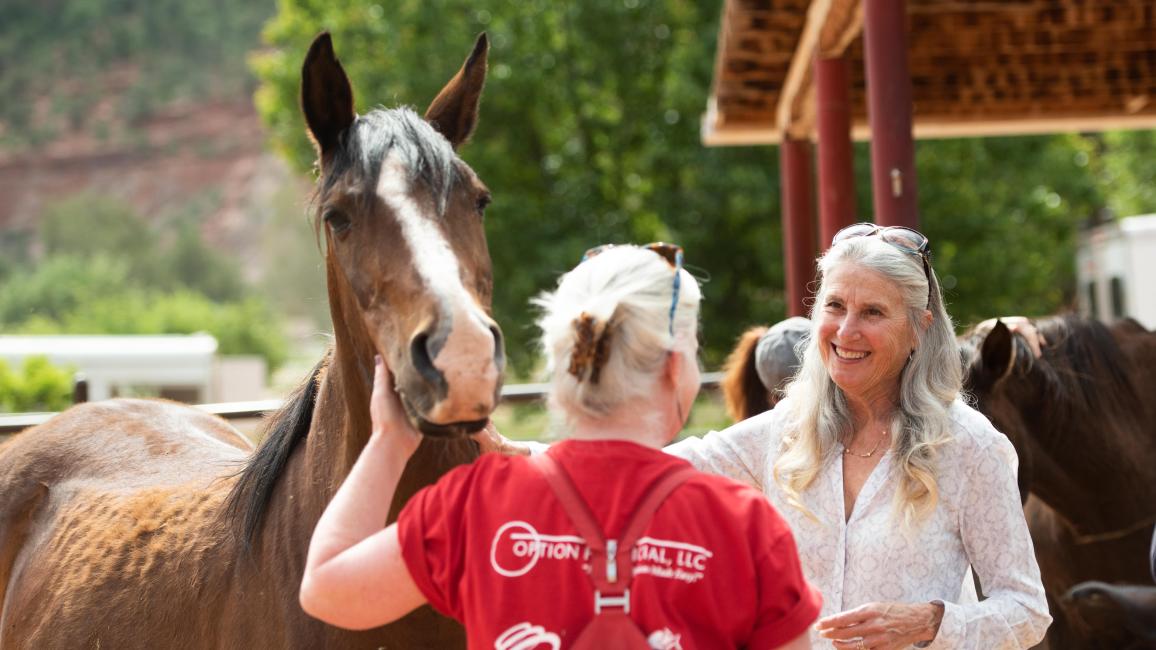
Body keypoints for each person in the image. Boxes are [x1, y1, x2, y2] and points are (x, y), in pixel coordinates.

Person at [299, 244, 820, 649]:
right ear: (674, 368)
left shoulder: (473, 504)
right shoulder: (743, 525)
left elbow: (325, 587)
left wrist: (390, 442)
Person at [668, 223, 1051, 649]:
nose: (847, 331)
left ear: (918, 329)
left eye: (873, 312)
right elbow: (659, 469)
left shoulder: (969, 446)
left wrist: (929, 623)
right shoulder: (785, 430)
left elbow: (1027, 611)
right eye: (834, 306)